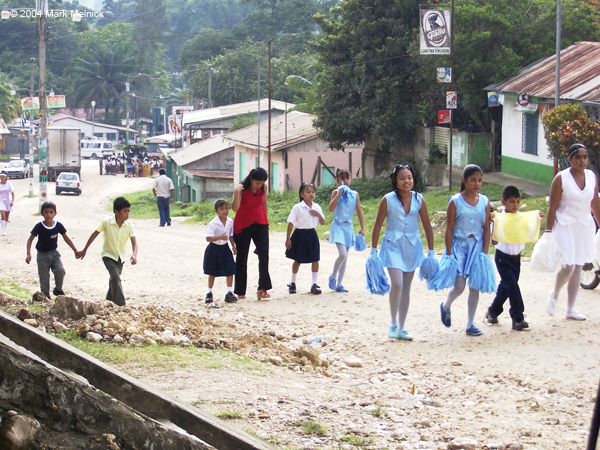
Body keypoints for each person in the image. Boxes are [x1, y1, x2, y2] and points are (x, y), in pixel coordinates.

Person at [371, 164, 435, 341]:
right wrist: (373, 251)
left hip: (412, 246)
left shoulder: (419, 199)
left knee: (406, 287)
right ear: (395, 180)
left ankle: (402, 327)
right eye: (402, 178)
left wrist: (431, 251)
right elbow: (377, 225)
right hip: (392, 245)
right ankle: (392, 323)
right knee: (397, 283)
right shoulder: (387, 200)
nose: (406, 181)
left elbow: (427, 225)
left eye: (409, 177)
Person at [545, 143, 600, 321]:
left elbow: (595, 204)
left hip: (583, 225)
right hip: (564, 224)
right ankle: (554, 294)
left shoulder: (591, 177)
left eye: (585, 157)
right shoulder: (561, 178)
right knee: (568, 265)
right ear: (570, 159)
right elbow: (552, 207)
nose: (582, 161)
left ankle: (570, 309)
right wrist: (548, 232)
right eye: (578, 157)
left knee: (577, 266)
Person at [438, 164, 492, 336]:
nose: (477, 184)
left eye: (480, 180)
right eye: (473, 180)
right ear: (464, 181)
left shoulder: (484, 201)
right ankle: (446, 305)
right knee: (460, 286)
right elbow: (449, 228)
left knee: (475, 286)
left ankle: (470, 323)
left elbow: (486, 228)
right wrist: (448, 252)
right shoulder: (455, 201)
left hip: (477, 247)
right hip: (459, 247)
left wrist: (484, 250)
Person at [485, 186, 532, 330]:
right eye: (512, 201)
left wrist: (536, 218)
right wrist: (494, 223)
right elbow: (494, 242)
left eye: (518, 202)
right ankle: (517, 317)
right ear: (503, 202)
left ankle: (493, 311)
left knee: (506, 287)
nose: (515, 205)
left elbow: (530, 227)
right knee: (512, 286)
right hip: (502, 259)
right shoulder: (499, 218)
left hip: (516, 258)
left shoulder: (520, 217)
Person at [77, 197, 138, 306]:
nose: (128, 214)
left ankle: (107, 302)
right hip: (108, 255)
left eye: (128, 211)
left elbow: (134, 242)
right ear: (116, 211)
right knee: (115, 276)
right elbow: (94, 234)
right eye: (125, 211)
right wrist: (84, 249)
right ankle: (121, 304)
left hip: (120, 257)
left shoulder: (129, 225)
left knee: (114, 280)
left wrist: (134, 255)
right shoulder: (106, 222)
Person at [232, 167, 272, 300]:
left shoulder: (263, 187)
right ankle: (240, 291)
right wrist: (237, 192)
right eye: (257, 183)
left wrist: (266, 221)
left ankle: (262, 288)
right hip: (243, 224)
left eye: (261, 183)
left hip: (260, 222)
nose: (259, 185)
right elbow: (235, 208)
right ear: (251, 179)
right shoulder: (242, 189)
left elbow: (264, 202)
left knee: (264, 253)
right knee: (242, 257)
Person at [25, 201, 78, 299]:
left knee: (60, 270)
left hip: (54, 254)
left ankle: (58, 289)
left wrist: (75, 250)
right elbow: (30, 240)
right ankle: (45, 298)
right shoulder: (39, 226)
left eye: (51, 212)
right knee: (44, 278)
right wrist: (28, 254)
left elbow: (66, 238)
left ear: (55, 213)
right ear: (42, 213)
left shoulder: (58, 225)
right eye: (46, 212)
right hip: (42, 256)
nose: (48, 215)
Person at [328, 169, 365, 292]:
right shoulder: (335, 192)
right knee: (342, 254)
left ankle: (339, 284)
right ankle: (332, 276)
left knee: (345, 257)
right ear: (338, 181)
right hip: (338, 225)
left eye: (347, 178)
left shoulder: (355, 194)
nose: (345, 181)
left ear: (351, 180)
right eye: (342, 179)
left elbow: (359, 210)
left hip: (348, 227)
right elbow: (331, 208)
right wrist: (339, 194)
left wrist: (362, 227)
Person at [285, 183, 326, 295]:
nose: (311, 194)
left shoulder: (317, 207)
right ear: (301, 194)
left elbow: (323, 222)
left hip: (311, 234)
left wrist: (318, 214)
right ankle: (292, 282)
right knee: (298, 259)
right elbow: (290, 223)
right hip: (299, 234)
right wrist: (288, 238)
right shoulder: (297, 207)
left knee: (315, 259)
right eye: (308, 192)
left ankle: (314, 283)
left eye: (313, 192)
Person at [204, 199, 238, 307]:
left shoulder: (230, 221)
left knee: (230, 269)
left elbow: (230, 235)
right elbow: (208, 238)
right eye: (221, 209)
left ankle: (229, 292)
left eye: (226, 208)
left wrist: (233, 246)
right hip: (214, 248)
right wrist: (220, 237)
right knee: (212, 271)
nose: (225, 211)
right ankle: (209, 293)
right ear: (216, 211)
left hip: (225, 247)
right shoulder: (213, 223)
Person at [0, 171, 15, 236]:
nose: (1, 178)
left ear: (6, 177)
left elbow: (12, 193)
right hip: (1, 200)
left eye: (3, 177)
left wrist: (12, 201)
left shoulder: (9, 184)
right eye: (1, 177)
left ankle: (4, 228)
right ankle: (3, 230)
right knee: (3, 214)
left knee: (7, 216)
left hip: (7, 200)